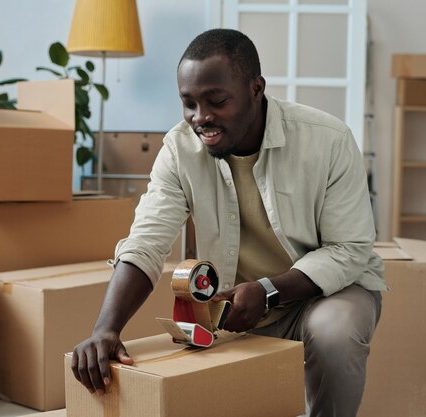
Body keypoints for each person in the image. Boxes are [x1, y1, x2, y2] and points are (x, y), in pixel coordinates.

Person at [71, 28, 388, 417]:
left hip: (324, 296)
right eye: (188, 103)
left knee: (334, 332)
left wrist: (269, 291)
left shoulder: (328, 140)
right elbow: (146, 242)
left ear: (256, 89)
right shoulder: (179, 149)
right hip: (233, 310)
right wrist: (106, 328)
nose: (201, 118)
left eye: (216, 101)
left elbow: (350, 249)